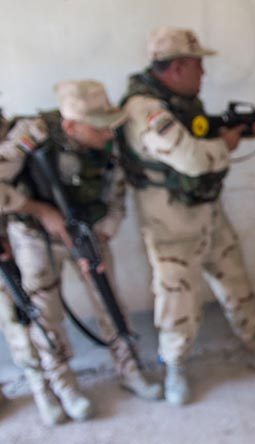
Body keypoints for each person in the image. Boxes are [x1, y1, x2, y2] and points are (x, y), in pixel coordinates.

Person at [118, 27, 255, 406]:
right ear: (178, 67)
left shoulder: (180, 102)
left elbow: (198, 140)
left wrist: (232, 134)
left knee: (239, 289)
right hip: (172, 229)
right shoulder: (144, 109)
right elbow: (194, 159)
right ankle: (174, 369)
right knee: (176, 306)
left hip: (210, 218)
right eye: (198, 66)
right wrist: (226, 143)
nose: (204, 74)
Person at [4, 80, 162, 422]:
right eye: (99, 128)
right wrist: (38, 209)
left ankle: (130, 370)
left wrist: (103, 233)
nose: (109, 135)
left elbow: (116, 192)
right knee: (45, 313)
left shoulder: (108, 138)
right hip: (35, 237)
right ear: (70, 126)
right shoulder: (32, 135)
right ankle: (64, 387)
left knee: (110, 302)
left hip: (87, 232)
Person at [0, 114, 66, 426]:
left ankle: (62, 384)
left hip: (22, 234)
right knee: (15, 321)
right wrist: (36, 208)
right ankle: (41, 390)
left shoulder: (21, 129)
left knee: (42, 313)